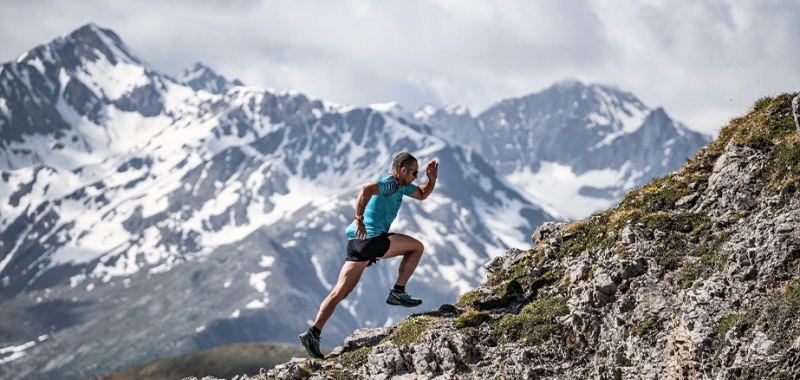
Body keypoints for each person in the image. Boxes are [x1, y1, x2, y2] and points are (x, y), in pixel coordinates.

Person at [298, 152, 439, 359]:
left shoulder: (401, 185)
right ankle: (398, 291)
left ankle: (313, 332)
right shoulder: (391, 183)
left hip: (357, 243)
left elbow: (422, 194)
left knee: (339, 292)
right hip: (372, 240)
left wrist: (431, 179)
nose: (415, 177)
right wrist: (359, 218)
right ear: (402, 170)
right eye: (414, 172)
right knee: (416, 247)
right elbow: (366, 189)